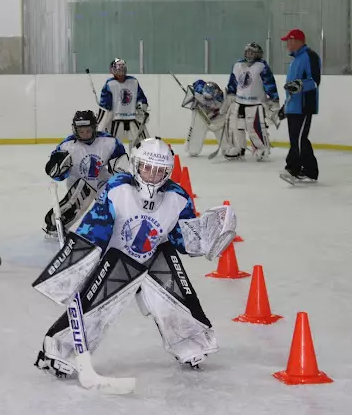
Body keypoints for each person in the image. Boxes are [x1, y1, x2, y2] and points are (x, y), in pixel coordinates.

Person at [32, 138, 237, 376]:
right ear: (136, 165)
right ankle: (60, 351)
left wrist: (205, 237)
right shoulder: (117, 188)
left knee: (178, 298)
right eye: (147, 168)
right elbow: (96, 228)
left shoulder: (178, 196)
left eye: (159, 170)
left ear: (168, 171)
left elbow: (183, 238)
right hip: (118, 258)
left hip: (154, 258)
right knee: (93, 307)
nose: (152, 175)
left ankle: (190, 343)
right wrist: (78, 260)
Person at [43, 110, 128, 237]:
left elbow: (120, 163)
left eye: (88, 131)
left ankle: (118, 227)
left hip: (101, 180)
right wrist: (57, 171)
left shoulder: (109, 142)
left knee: (115, 200)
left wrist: (120, 176)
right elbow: (58, 174)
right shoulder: (67, 146)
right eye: (81, 131)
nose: (85, 135)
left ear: (94, 128)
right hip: (78, 183)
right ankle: (55, 226)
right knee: (76, 204)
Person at [222, 42, 279, 161]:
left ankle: (261, 148)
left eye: (252, 52)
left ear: (258, 54)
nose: (249, 54)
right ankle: (238, 148)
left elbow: (269, 82)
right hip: (238, 102)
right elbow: (233, 81)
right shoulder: (237, 65)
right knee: (235, 127)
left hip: (256, 103)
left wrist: (274, 98)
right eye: (247, 51)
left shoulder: (262, 66)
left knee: (254, 128)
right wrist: (230, 94)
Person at [278, 29, 321, 184]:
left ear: (296, 41)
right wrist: (285, 107)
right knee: (299, 139)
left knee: (299, 140)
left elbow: (315, 80)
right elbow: (292, 89)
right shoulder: (295, 60)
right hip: (293, 107)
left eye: (289, 41)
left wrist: (300, 84)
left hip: (304, 106)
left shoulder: (310, 56)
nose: (287, 45)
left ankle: (292, 169)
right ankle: (310, 171)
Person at [97, 58, 149, 150]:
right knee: (113, 146)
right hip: (116, 120)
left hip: (133, 118)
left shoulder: (133, 82)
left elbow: (141, 98)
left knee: (142, 145)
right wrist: (100, 125)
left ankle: (138, 162)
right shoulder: (110, 84)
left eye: (122, 69)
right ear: (113, 70)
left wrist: (141, 106)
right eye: (118, 69)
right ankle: (114, 163)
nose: (121, 72)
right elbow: (105, 107)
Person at [181, 79, 226, 157]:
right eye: (206, 98)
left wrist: (211, 115)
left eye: (209, 99)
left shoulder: (220, 98)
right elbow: (192, 93)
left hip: (214, 114)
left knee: (219, 129)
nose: (207, 100)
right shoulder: (198, 89)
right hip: (200, 110)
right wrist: (194, 101)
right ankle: (192, 149)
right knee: (196, 130)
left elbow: (220, 110)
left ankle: (226, 149)